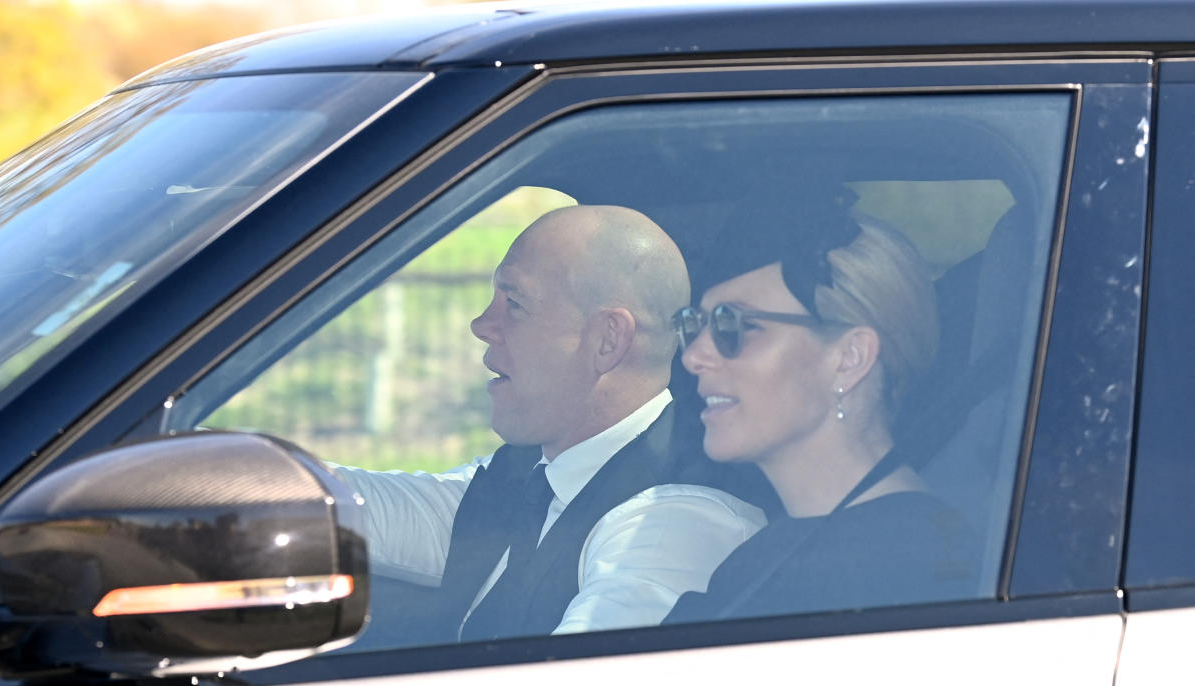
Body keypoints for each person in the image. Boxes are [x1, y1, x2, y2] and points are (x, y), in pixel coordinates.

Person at [333, 204, 765, 643]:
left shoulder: (672, 524)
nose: (482, 324)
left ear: (607, 339)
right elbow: (355, 508)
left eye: (514, 304)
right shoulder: (535, 477)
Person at [664, 194, 979, 624]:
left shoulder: (901, 571)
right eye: (693, 326)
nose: (693, 357)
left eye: (733, 325)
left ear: (849, 357)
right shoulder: (783, 552)